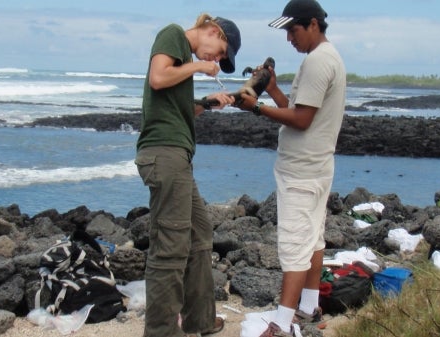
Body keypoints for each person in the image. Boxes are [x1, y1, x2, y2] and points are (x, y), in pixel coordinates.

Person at [236, 0, 346, 336]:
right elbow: (298, 108)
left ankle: (282, 324)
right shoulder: (328, 58)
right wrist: (272, 90)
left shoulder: (317, 63)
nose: (289, 39)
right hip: (317, 166)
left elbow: (300, 120)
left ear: (313, 24)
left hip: (302, 172)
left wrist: (257, 108)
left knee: (295, 247)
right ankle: (309, 308)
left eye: (292, 30)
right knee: (313, 240)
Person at [134, 14, 241, 337]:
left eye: (221, 58)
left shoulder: (182, 54)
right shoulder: (173, 35)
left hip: (176, 155)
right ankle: (162, 332)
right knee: (171, 246)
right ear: (213, 31)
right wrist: (198, 67)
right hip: (164, 153)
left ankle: (200, 320)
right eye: (221, 51)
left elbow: (176, 104)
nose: (216, 60)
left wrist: (206, 104)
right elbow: (158, 78)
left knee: (199, 232)